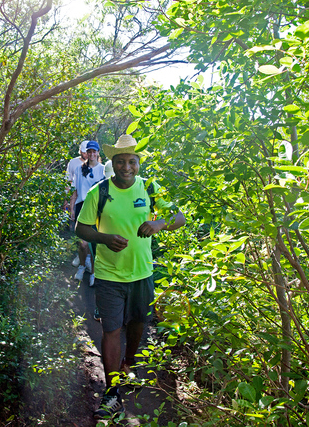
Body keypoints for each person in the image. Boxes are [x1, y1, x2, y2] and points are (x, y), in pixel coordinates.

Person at [76, 134, 185, 420]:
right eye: (121, 161)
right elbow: (81, 229)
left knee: (138, 323)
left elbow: (180, 216)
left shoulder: (149, 188)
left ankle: (128, 363)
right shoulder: (99, 193)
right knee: (111, 329)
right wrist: (104, 238)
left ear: (138, 163)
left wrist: (159, 223)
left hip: (142, 274)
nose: (127, 167)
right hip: (109, 276)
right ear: (112, 163)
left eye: (132, 161)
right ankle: (112, 393)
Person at [71, 140, 104, 284]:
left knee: (95, 242)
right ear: (86, 152)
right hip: (82, 206)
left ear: (98, 153)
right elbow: (76, 191)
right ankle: (82, 266)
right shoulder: (79, 169)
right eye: (89, 151)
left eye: (94, 151)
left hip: (97, 208)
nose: (91, 154)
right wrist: (72, 208)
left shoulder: (103, 169)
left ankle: (94, 273)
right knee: (82, 243)